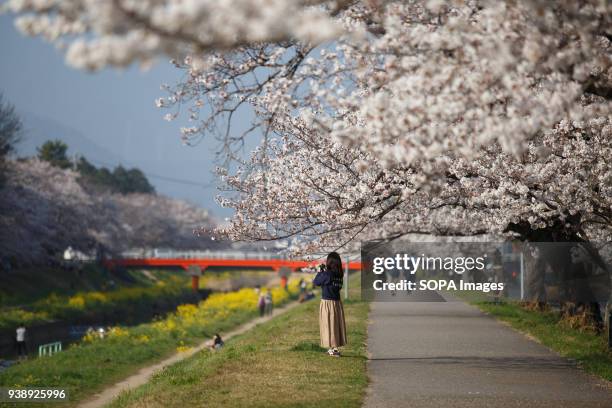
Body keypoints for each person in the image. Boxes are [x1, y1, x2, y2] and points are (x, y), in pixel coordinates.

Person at [313, 252, 347, 357]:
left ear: (329, 262)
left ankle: (333, 350)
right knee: (336, 325)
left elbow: (316, 282)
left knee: (328, 325)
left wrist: (319, 271)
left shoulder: (328, 274)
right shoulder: (340, 275)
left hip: (327, 303)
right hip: (337, 303)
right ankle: (335, 348)